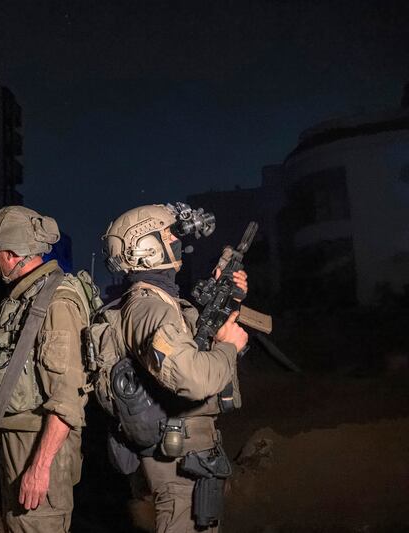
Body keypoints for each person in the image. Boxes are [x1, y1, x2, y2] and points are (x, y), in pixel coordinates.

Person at [102, 204, 249, 533]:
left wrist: (227, 300)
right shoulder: (148, 307)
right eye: (166, 234)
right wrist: (229, 345)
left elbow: (194, 351)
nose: (174, 239)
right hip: (176, 465)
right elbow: (195, 377)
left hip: (191, 458)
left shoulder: (164, 300)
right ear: (146, 248)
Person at [0, 206, 94, 532]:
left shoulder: (55, 302)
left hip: (39, 450)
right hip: (16, 445)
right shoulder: (23, 299)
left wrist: (39, 467)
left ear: (13, 254)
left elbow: (66, 398)